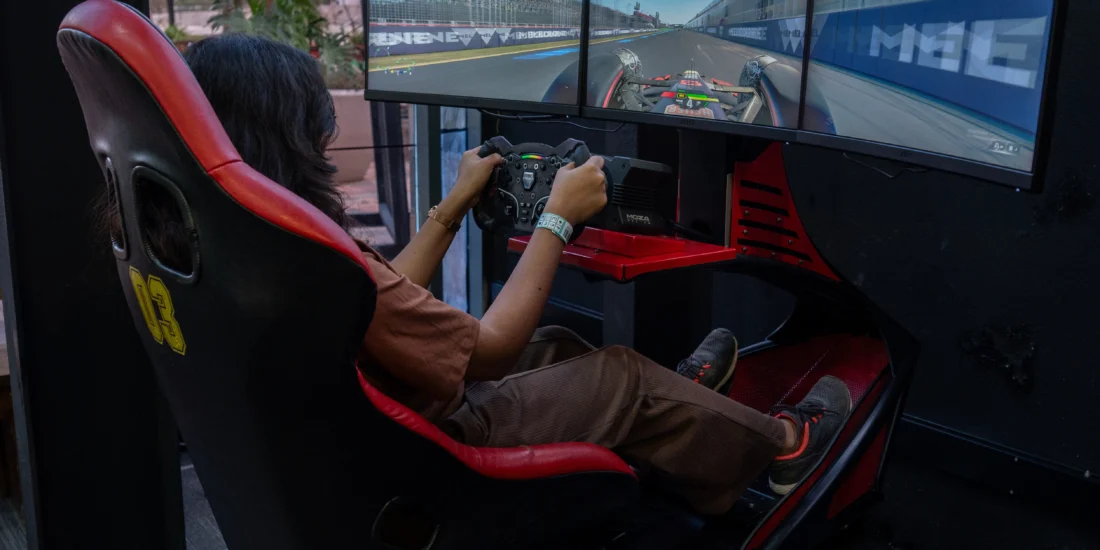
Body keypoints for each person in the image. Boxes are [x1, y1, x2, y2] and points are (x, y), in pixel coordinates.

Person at [132, 34, 854, 513]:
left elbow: (385, 304)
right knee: (618, 375)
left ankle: (689, 412)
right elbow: (490, 348)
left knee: (563, 351)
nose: (325, 139)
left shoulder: (234, 236)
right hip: (424, 459)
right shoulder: (307, 258)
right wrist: (558, 218)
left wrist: (448, 210)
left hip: (357, 443)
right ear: (283, 135)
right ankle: (782, 449)